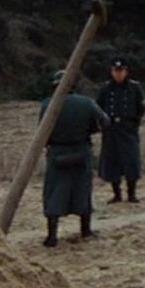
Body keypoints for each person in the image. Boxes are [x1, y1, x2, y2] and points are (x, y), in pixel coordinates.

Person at [41, 69, 110, 247]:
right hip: (81, 150)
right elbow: (105, 121)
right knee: (82, 191)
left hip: (57, 153)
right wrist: (90, 130)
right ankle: (85, 231)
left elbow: (42, 132)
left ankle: (52, 236)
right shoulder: (86, 103)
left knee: (54, 193)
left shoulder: (47, 105)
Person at [96, 57, 145, 203]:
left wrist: (134, 122)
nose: (118, 74)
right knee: (112, 162)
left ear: (126, 71)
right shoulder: (105, 88)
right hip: (111, 129)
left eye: (121, 71)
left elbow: (141, 106)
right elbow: (98, 107)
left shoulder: (135, 87)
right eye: (116, 71)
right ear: (111, 72)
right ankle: (116, 194)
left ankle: (132, 193)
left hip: (128, 128)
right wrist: (104, 124)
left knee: (131, 161)